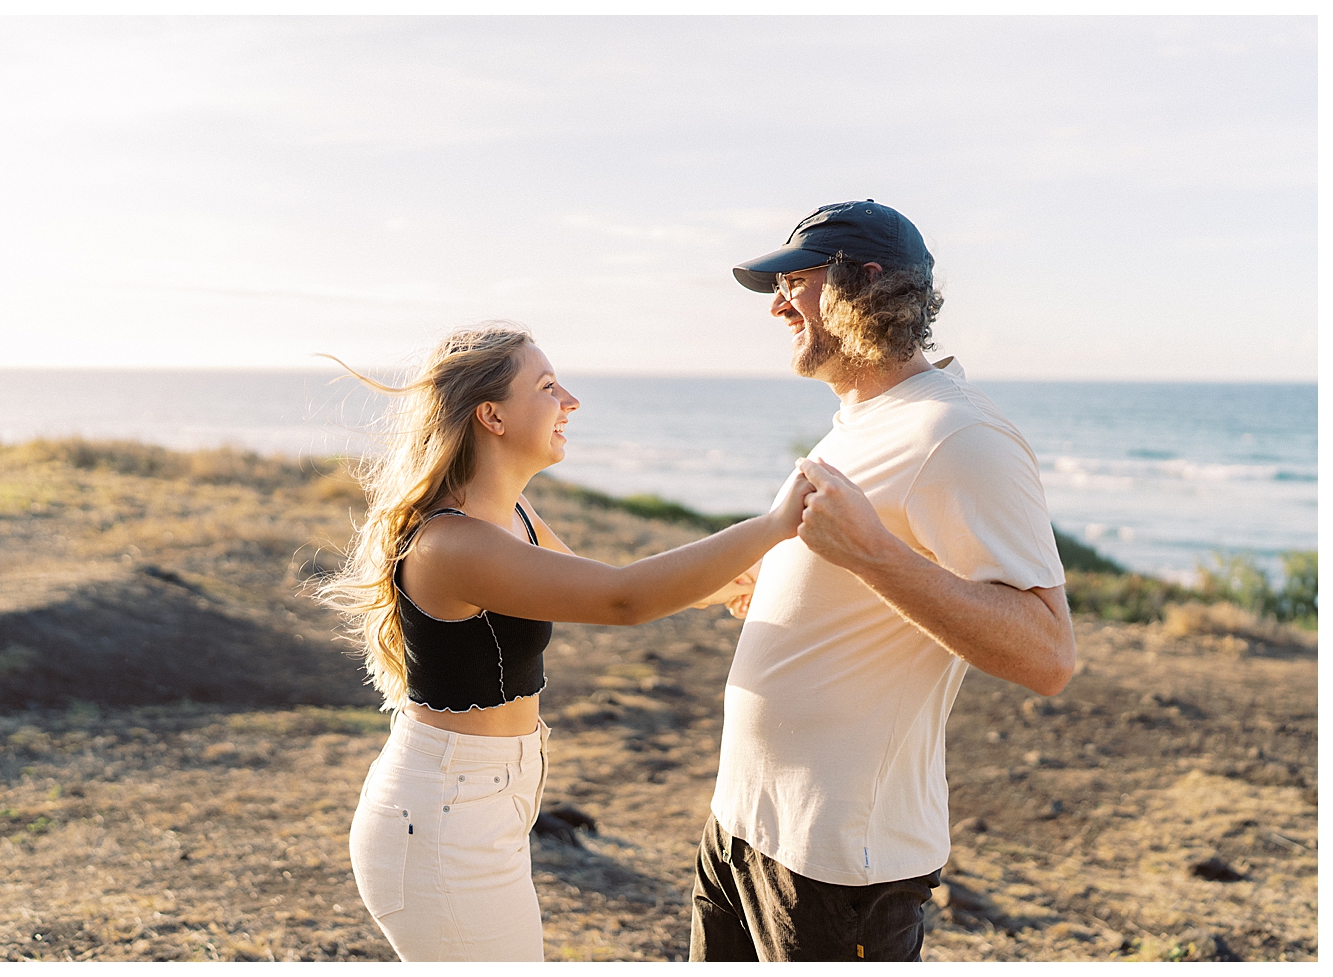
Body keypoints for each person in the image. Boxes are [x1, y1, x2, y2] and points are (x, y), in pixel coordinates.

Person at [315, 324, 813, 962]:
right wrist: (772, 525)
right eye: (548, 387)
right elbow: (621, 599)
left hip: (481, 806)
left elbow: (592, 587)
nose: (570, 401)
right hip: (440, 820)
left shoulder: (511, 517)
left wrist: (727, 586)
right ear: (491, 415)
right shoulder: (452, 544)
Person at [688, 200, 1077, 962]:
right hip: (740, 833)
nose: (775, 302)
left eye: (794, 280)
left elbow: (1047, 652)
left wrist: (870, 556)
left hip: (838, 871)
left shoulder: (959, 433)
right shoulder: (859, 420)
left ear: (861, 283)